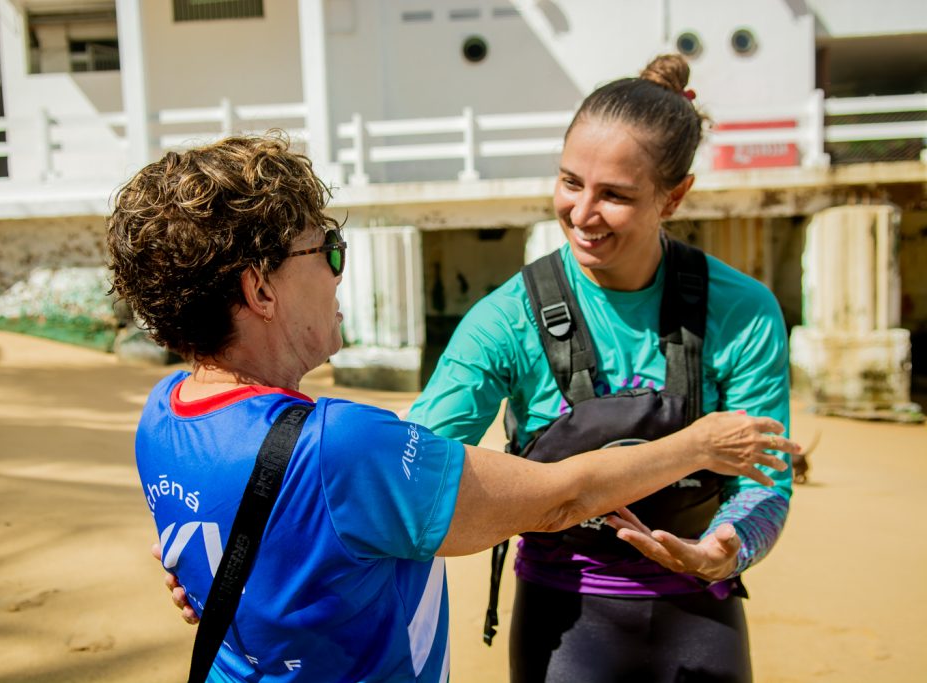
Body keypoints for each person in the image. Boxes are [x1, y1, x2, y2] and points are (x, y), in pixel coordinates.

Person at [111, 133, 797, 682]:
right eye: (330, 250)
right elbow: (558, 500)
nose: (340, 270)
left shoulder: (161, 413)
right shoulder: (343, 444)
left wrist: (209, 562)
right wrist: (701, 445)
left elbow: (241, 532)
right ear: (261, 289)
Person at [406, 54, 794, 682]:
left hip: (701, 614)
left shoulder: (741, 310)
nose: (582, 214)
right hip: (564, 622)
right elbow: (415, 474)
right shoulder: (505, 321)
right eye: (569, 182)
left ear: (675, 197)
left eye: (614, 195)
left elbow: (765, 481)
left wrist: (724, 551)